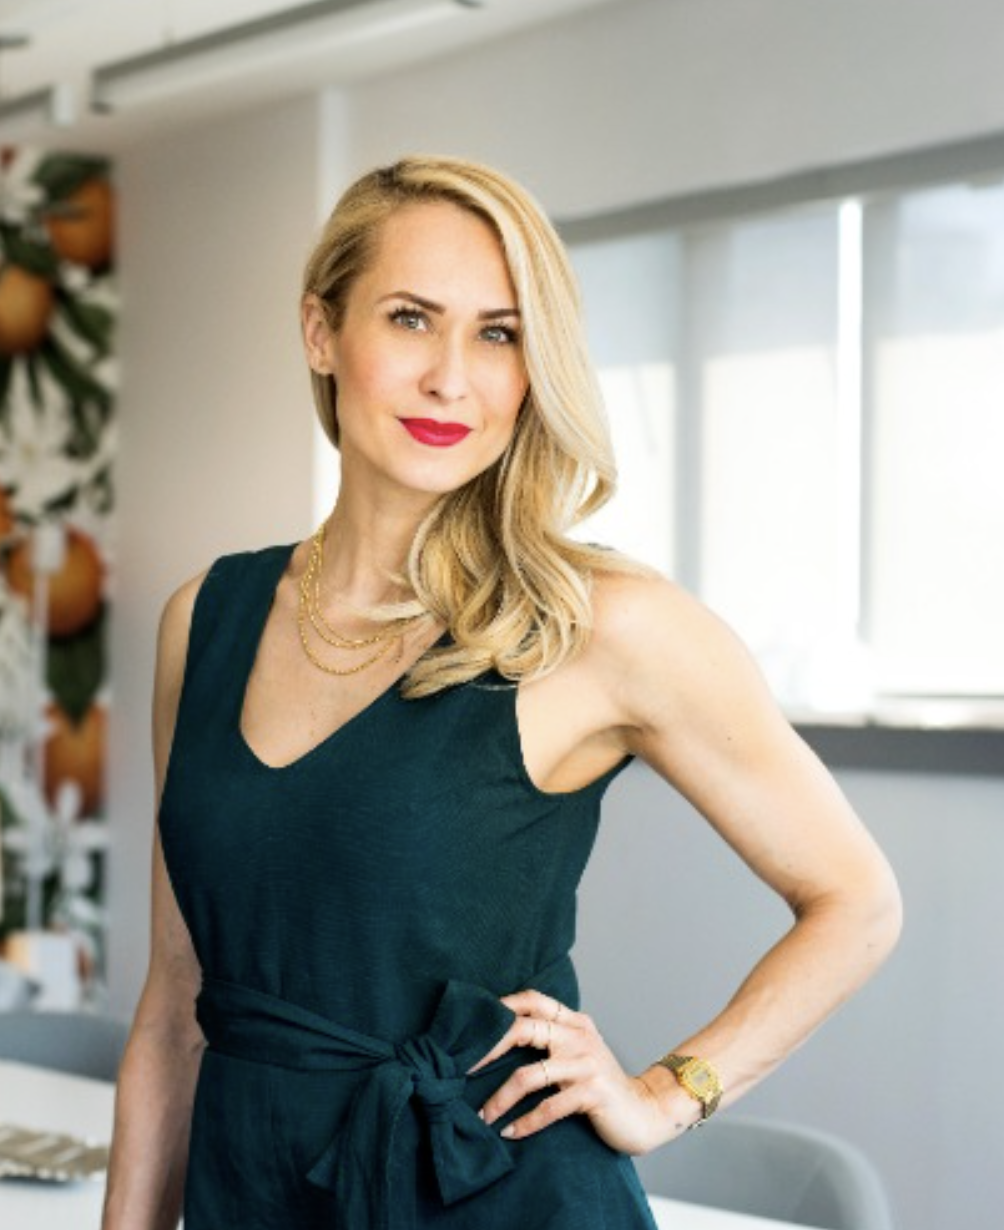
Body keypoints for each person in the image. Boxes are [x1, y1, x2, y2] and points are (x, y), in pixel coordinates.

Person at [101, 155, 902, 1230]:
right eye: (410, 319)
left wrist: (667, 1094)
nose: (452, 379)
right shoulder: (204, 620)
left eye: (498, 333)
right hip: (252, 1193)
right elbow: (173, 1012)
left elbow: (856, 903)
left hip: (499, 1196)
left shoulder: (602, 624)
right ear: (320, 332)